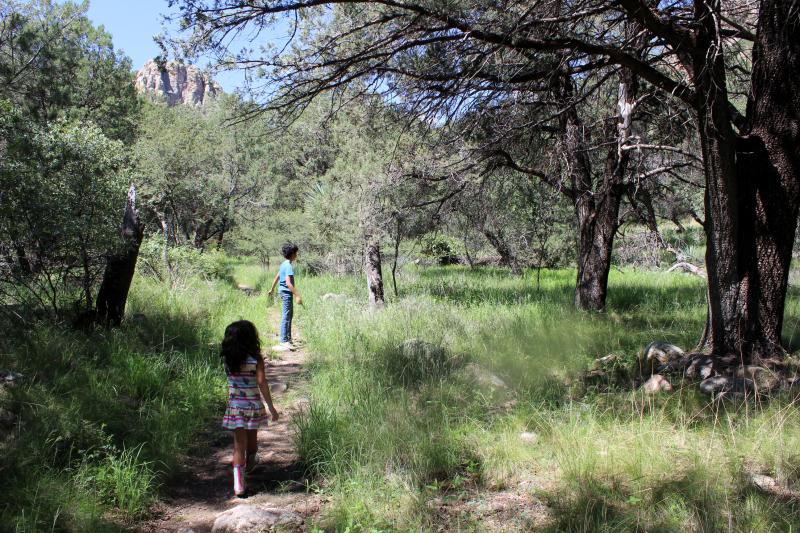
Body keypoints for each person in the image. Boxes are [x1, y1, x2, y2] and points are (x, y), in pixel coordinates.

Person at [220, 320, 279, 497]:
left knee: (239, 445)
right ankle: (250, 464)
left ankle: (239, 483)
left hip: (236, 408)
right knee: (252, 439)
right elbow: (261, 382)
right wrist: (271, 406)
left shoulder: (228, 358)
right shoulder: (256, 359)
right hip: (252, 406)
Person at [268, 242, 302, 349]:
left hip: (282, 292)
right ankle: (284, 340)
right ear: (292, 254)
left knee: (289, 314)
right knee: (286, 315)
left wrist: (272, 289)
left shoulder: (284, 264)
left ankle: (288, 337)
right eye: (296, 253)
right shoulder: (288, 266)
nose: (296, 255)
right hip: (286, 293)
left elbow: (277, 276)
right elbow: (288, 283)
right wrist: (297, 295)